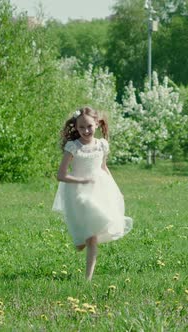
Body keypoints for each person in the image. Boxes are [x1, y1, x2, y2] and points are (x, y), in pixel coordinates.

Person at [52, 106, 132, 280]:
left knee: (93, 236)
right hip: (78, 191)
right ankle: (84, 239)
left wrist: (116, 190)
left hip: (99, 188)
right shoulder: (73, 147)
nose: (86, 131)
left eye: (89, 126)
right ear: (76, 127)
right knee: (90, 221)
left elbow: (104, 167)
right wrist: (82, 181)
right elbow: (61, 175)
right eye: (81, 127)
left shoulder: (102, 145)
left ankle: (88, 275)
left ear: (96, 123)